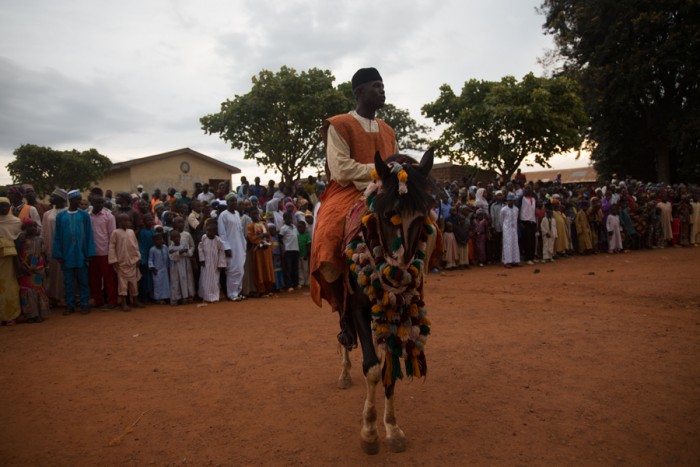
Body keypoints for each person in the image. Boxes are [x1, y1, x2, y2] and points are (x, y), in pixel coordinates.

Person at [310, 67, 399, 318]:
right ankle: (344, 313)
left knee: (424, 222)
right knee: (327, 234)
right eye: (376, 86)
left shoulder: (389, 130)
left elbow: (396, 162)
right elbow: (341, 170)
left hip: (385, 188)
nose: (382, 90)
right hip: (347, 190)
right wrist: (380, 170)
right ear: (360, 92)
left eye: (383, 86)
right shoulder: (338, 125)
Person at [53, 189, 95, 315]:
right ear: (70, 200)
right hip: (66, 255)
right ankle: (70, 305)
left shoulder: (84, 215)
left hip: (82, 255)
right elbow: (57, 237)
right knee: (68, 282)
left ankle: (84, 304)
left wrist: (89, 253)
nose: (79, 201)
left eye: (80, 199)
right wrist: (59, 254)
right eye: (77, 199)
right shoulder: (61, 216)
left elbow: (89, 235)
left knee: (83, 281)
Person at [109, 213, 144, 311]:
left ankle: (135, 301)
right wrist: (114, 260)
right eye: (124, 220)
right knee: (122, 284)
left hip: (132, 262)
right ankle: (123, 303)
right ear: (119, 222)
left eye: (128, 220)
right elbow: (112, 247)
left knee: (134, 283)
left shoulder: (131, 232)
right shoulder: (115, 233)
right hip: (121, 262)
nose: (127, 222)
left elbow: (135, 246)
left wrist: (138, 258)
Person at [89, 195, 118, 309]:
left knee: (109, 278)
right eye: (97, 202)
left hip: (105, 252)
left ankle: (112, 301)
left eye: (101, 202)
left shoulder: (109, 216)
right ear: (92, 203)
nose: (100, 205)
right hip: (92, 252)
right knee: (94, 279)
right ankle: (98, 301)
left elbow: (112, 235)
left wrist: (112, 252)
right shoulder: (88, 216)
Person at [41, 188, 69, 307]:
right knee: (53, 273)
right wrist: (44, 249)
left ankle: (67, 297)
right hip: (52, 247)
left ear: (62, 198)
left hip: (66, 247)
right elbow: (44, 232)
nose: (51, 198)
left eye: (53, 196)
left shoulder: (69, 211)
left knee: (66, 273)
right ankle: (54, 297)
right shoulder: (47, 214)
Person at [218, 194, 246, 301]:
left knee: (240, 270)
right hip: (231, 247)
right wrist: (226, 247)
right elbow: (222, 233)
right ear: (228, 203)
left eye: (235, 201)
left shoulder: (237, 214)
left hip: (240, 246)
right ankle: (232, 294)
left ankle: (238, 292)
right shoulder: (223, 215)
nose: (234, 203)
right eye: (232, 201)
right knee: (232, 270)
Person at [0, 197, 22, 325]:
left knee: (10, 286)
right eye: (0, 206)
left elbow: (20, 242)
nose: (3, 208)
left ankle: (11, 315)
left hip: (10, 259)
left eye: (5, 206)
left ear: (9, 207)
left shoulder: (16, 222)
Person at [246, 208, 275, 296]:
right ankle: (260, 289)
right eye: (253, 214)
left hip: (266, 249)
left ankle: (268, 288)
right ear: (250, 215)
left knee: (268, 268)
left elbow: (269, 235)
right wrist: (261, 237)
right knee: (259, 269)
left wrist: (269, 244)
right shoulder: (250, 226)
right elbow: (251, 237)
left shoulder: (264, 224)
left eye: (256, 213)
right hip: (257, 250)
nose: (255, 216)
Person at [198, 219, 227, 303]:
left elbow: (222, 252)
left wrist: (221, 264)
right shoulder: (204, 238)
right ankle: (205, 296)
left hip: (215, 263)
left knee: (215, 280)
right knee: (205, 280)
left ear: (215, 232)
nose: (209, 233)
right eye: (207, 231)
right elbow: (200, 249)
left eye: (211, 231)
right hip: (206, 263)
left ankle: (214, 296)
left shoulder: (218, 240)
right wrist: (202, 259)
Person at [168, 230, 194, 305]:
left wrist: (185, 251)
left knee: (184, 281)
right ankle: (176, 298)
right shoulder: (171, 247)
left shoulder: (184, 245)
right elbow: (171, 257)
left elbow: (188, 253)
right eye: (174, 237)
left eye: (178, 237)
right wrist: (180, 252)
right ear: (171, 239)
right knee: (175, 281)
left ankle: (185, 297)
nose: (177, 238)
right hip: (175, 267)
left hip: (184, 265)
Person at [279, 211, 300, 291]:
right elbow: (280, 238)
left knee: (295, 268)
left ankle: (296, 283)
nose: (289, 219)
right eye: (288, 218)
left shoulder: (294, 227)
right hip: (288, 250)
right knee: (288, 268)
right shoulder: (283, 228)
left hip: (296, 249)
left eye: (290, 218)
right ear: (284, 219)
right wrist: (284, 247)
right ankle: (288, 285)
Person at [518, 184, 537, 265]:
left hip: (533, 220)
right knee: (527, 240)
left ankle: (532, 257)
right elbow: (517, 209)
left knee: (533, 240)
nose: (527, 190)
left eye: (529, 188)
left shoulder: (534, 198)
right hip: (524, 221)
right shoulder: (521, 198)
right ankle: (527, 258)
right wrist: (519, 222)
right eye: (526, 188)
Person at [149, 232, 170, 304]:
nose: (159, 241)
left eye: (160, 239)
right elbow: (150, 259)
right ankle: (159, 298)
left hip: (165, 269)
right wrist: (152, 267)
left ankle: (166, 297)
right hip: (157, 270)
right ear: (154, 241)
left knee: (166, 284)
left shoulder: (165, 247)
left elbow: (168, 256)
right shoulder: (152, 249)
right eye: (157, 240)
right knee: (158, 284)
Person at [501, 192, 520, 268]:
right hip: (506, 229)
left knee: (514, 243)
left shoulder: (516, 209)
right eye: (509, 200)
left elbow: (516, 218)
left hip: (514, 229)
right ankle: (507, 261)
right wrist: (505, 227)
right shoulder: (503, 209)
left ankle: (515, 260)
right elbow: (501, 219)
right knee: (507, 244)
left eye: (512, 200)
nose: (511, 202)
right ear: (507, 201)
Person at [297, 220, 312, 287]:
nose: (300, 229)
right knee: (300, 269)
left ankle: (307, 282)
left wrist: (306, 254)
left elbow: (308, 245)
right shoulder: (297, 235)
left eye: (301, 227)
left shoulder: (307, 235)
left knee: (306, 269)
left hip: (304, 255)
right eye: (299, 227)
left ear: (304, 228)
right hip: (298, 254)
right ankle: (301, 282)